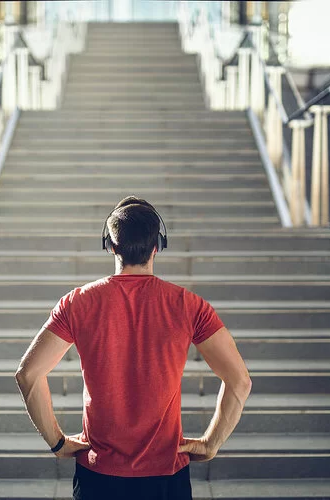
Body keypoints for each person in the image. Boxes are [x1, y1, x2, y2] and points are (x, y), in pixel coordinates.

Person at [15, 196, 252, 500]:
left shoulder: (77, 303)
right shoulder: (189, 306)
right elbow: (240, 381)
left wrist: (58, 443)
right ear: (158, 245)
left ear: (110, 246)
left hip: (99, 475)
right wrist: (211, 443)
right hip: (167, 476)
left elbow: (27, 375)